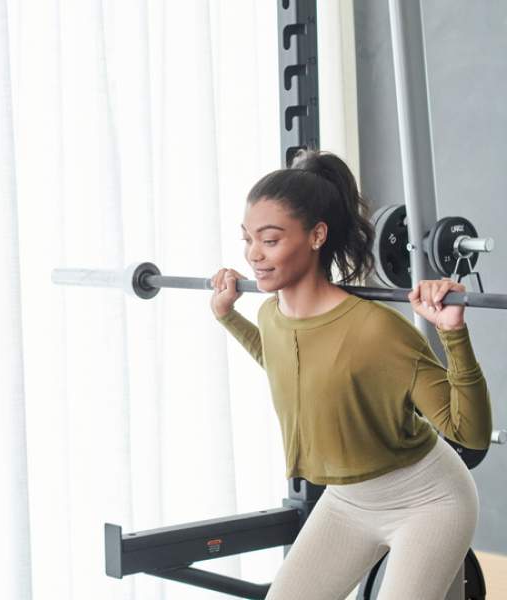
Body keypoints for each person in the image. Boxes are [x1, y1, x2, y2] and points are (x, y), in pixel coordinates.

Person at [210, 150, 491, 600]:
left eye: (270, 240)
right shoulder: (270, 315)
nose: (254, 256)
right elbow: (290, 368)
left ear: (317, 235)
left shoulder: (376, 331)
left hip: (428, 501)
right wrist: (228, 317)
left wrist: (453, 334)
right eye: (248, 240)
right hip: (346, 503)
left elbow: (470, 433)